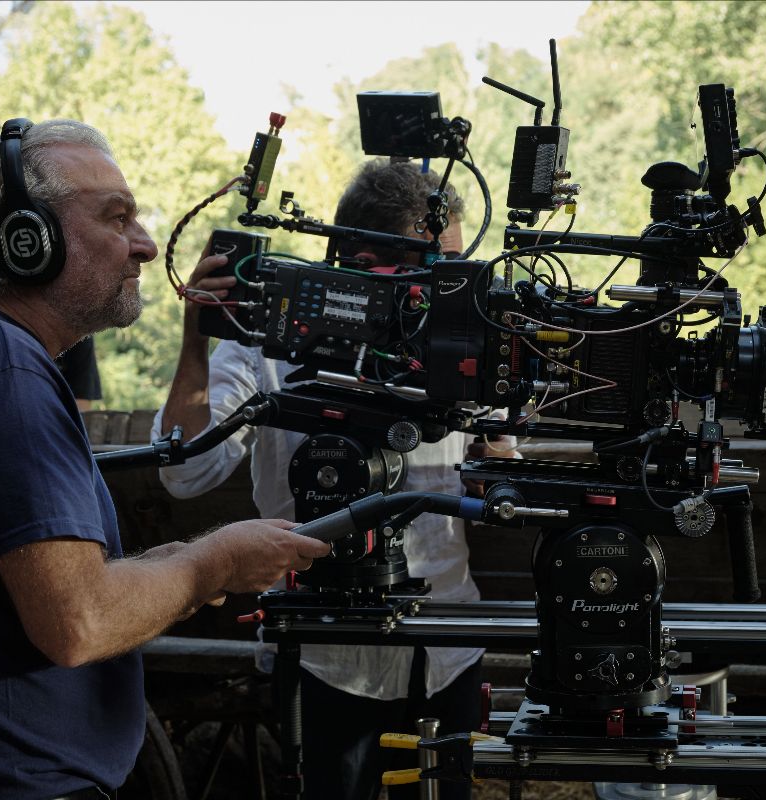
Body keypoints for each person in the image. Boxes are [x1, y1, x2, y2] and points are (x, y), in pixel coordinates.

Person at [0, 119, 332, 800]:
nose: (146, 245)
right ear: (28, 239)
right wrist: (213, 564)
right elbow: (79, 623)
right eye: (116, 217)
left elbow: (47, 588)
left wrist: (182, 561)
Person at [155, 160, 519, 800]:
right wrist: (197, 335)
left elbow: (497, 478)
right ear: (363, 261)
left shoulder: (459, 342)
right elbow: (187, 472)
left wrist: (499, 461)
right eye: (439, 266)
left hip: (444, 646)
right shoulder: (264, 341)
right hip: (323, 655)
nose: (454, 283)